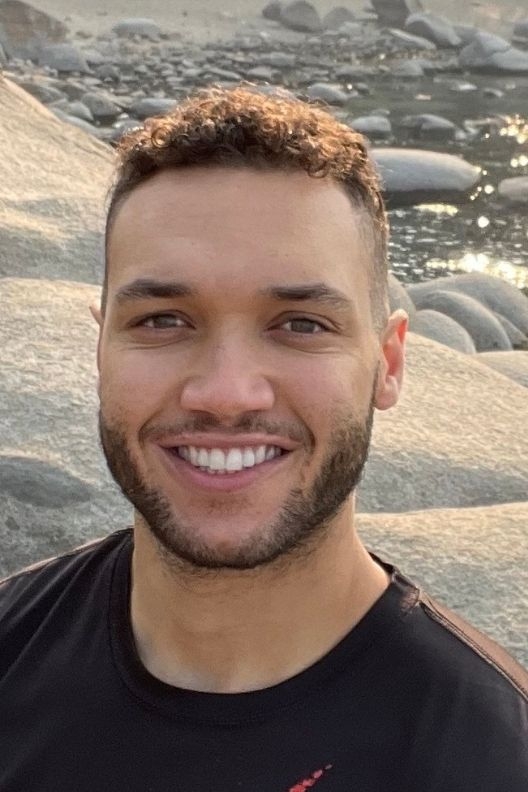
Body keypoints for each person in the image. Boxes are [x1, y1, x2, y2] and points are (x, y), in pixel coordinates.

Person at [0, 86, 526, 792]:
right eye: (163, 320)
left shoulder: (489, 758)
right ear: (100, 349)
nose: (225, 392)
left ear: (388, 364)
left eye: (301, 324)